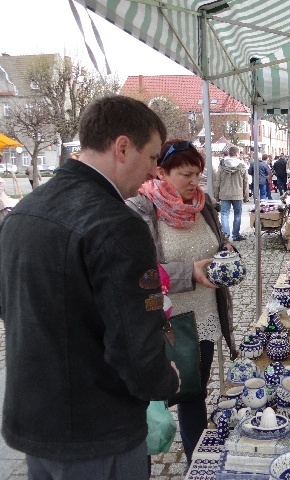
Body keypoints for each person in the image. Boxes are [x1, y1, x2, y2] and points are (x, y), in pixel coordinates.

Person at [0, 95, 180, 479]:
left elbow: (11, 307)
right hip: (97, 430)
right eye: (152, 157)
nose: (154, 172)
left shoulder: (25, 210)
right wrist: (165, 380)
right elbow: (134, 339)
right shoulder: (117, 224)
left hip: (37, 423)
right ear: (122, 147)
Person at [127, 139, 238, 466]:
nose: (194, 182)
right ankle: (140, 464)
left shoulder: (204, 205)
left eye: (197, 174)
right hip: (165, 323)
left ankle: (197, 462)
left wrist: (226, 253)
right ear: (162, 172)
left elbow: (217, 242)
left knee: (194, 394)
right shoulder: (142, 212)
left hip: (204, 317)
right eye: (185, 174)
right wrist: (187, 273)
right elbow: (138, 274)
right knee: (150, 402)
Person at [213, 145, 249, 241]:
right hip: (238, 194)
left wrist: (216, 195)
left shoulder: (222, 165)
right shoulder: (242, 166)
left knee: (224, 214)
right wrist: (246, 196)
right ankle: (236, 235)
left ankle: (226, 235)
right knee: (237, 214)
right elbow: (245, 182)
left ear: (229, 154)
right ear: (237, 154)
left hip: (224, 193)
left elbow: (217, 181)